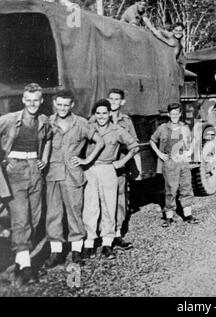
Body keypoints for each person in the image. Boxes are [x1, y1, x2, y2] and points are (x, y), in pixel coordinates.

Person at [44, 90, 105, 268]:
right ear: (55, 104)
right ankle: (56, 252)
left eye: (66, 105)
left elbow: (99, 141)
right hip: (53, 174)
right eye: (59, 104)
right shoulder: (48, 123)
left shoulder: (81, 123)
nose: (62, 108)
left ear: (72, 105)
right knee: (53, 214)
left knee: (74, 212)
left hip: (73, 175)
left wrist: (86, 160)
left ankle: (76, 251)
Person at [0, 83, 52, 285]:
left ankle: (20, 264)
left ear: (41, 101)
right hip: (15, 170)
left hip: (35, 169)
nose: (32, 104)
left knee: (35, 217)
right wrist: (3, 160)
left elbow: (47, 138)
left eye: (36, 100)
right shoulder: (9, 119)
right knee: (21, 218)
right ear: (23, 100)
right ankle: (27, 266)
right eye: (28, 100)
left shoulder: (43, 120)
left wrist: (45, 159)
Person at [82, 100, 140, 260]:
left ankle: (107, 243)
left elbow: (134, 146)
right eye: (98, 113)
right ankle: (89, 243)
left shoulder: (117, 130)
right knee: (90, 206)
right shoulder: (89, 128)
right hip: (90, 170)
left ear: (109, 114)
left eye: (104, 113)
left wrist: (122, 162)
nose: (101, 116)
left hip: (108, 169)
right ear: (94, 114)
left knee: (109, 205)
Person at [150, 103, 199, 228]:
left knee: (186, 187)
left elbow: (193, 140)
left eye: (177, 113)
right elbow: (152, 140)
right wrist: (159, 154)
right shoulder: (163, 128)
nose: (174, 116)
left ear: (180, 114)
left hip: (183, 161)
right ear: (168, 114)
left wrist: (189, 152)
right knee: (171, 190)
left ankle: (188, 215)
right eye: (172, 113)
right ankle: (169, 217)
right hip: (170, 162)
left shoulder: (184, 128)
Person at [105, 89, 141, 250]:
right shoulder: (97, 118)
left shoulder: (126, 121)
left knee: (119, 200)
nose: (113, 101)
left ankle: (117, 234)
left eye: (116, 99)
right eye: (111, 98)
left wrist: (125, 161)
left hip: (118, 166)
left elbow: (134, 143)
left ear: (122, 102)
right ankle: (100, 237)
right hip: (101, 166)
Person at [142, 19, 186, 87]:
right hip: (169, 70)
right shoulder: (173, 40)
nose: (178, 32)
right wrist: (150, 25)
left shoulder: (178, 41)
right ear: (173, 31)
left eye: (180, 31)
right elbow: (159, 35)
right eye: (176, 30)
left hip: (175, 71)